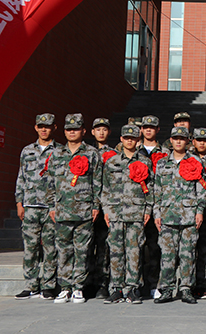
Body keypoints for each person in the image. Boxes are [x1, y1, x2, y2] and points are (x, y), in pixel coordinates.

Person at [46, 114, 102, 304]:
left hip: (84, 210)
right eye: (69, 129)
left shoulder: (92, 153)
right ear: (64, 132)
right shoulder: (56, 154)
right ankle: (65, 287)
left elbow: (97, 182)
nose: (72, 132)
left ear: (83, 131)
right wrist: (51, 205)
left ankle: (78, 287)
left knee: (82, 251)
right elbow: (50, 182)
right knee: (63, 250)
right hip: (62, 210)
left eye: (76, 129)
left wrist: (96, 205)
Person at [100, 124, 154, 305]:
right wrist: (106, 210)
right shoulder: (112, 162)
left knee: (134, 251)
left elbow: (150, 188)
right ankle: (116, 288)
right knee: (115, 251)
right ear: (121, 139)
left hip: (136, 212)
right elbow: (105, 188)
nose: (130, 140)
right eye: (126, 137)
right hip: (116, 213)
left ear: (138, 140)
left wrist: (148, 209)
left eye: (133, 138)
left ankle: (132, 288)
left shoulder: (145, 162)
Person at [153, 127, 206, 305]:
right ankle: (167, 289)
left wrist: (199, 211)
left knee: (188, 254)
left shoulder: (195, 161)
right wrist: (156, 213)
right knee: (167, 254)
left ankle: (186, 288)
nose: (178, 141)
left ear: (187, 141)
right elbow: (157, 190)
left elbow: (201, 189)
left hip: (189, 215)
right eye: (175, 138)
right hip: (167, 214)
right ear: (170, 140)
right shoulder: (162, 164)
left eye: (182, 138)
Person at [14, 113, 59, 300]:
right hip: (30, 206)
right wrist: (19, 202)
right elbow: (21, 177)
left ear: (54, 128)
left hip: (50, 207)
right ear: (35, 128)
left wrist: (57, 205)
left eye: (47, 126)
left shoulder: (60, 151)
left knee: (50, 248)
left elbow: (62, 181)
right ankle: (31, 285)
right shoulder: (27, 151)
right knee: (30, 247)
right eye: (41, 126)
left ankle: (48, 285)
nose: (44, 129)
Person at [138, 115, 164, 298]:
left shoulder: (166, 152)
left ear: (158, 130)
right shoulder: (132, 150)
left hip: (157, 205)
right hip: (136, 205)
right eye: (145, 127)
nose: (148, 130)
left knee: (155, 248)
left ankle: (155, 284)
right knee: (135, 249)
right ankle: (137, 285)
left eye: (152, 127)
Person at [190, 128, 206, 299]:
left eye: (205, 140)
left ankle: (202, 284)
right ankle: (188, 284)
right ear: (193, 142)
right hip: (188, 210)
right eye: (198, 140)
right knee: (188, 249)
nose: (201, 143)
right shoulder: (186, 160)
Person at [88, 117, 112, 299]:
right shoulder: (85, 153)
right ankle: (87, 282)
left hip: (106, 207)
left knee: (104, 247)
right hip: (86, 206)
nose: (101, 132)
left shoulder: (114, 155)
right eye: (98, 129)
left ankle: (103, 283)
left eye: (104, 129)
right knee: (86, 246)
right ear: (92, 132)